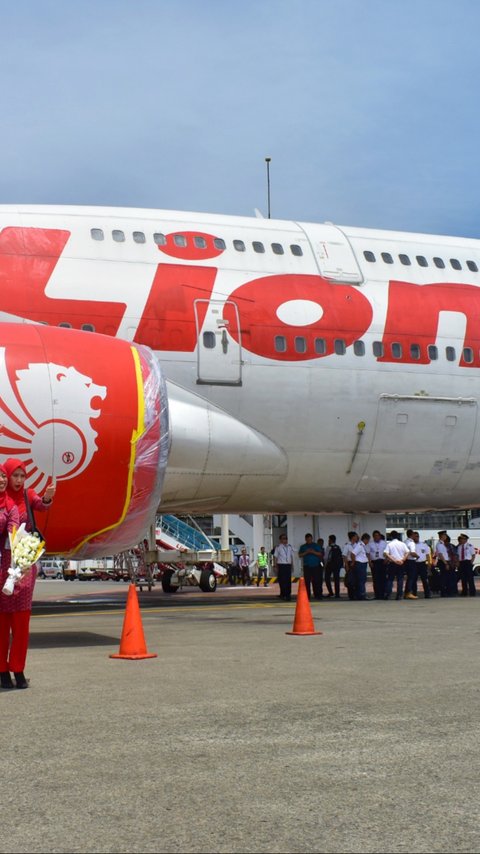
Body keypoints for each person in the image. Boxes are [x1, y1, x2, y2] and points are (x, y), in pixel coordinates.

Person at [0, 458, 55, 689]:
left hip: (23, 562)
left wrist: (47, 497)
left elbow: (41, 505)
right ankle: (2, 670)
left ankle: (18, 669)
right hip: (3, 564)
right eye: (15, 476)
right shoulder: (4, 501)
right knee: (3, 622)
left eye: (22, 476)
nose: (19, 480)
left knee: (22, 621)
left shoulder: (26, 495)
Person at [384, 531, 409, 600]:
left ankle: (388, 594)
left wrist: (394, 560)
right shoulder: (402, 544)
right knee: (400, 579)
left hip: (392, 563)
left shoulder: (389, 544)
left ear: (391, 536)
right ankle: (399, 595)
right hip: (401, 563)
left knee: (390, 579)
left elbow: (386, 553)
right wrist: (403, 560)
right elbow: (407, 552)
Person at [298, 534, 324, 600]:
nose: (309, 541)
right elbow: (300, 555)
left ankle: (317, 595)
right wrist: (306, 552)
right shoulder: (303, 547)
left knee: (316, 581)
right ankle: (307, 596)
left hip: (316, 566)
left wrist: (313, 552)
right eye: (308, 539)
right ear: (305, 539)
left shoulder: (316, 546)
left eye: (310, 539)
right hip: (307, 566)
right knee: (307, 581)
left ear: (312, 539)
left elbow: (320, 554)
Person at [346, 531, 368, 600]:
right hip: (360, 564)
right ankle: (361, 595)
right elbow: (353, 554)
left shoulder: (359, 545)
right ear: (365, 539)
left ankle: (359, 594)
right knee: (361, 580)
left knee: (361, 580)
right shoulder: (360, 545)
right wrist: (353, 562)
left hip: (361, 564)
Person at [411, 532, 432, 599]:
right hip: (414, 564)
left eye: (417, 536)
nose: (416, 538)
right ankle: (414, 593)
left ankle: (427, 593)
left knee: (425, 579)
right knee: (414, 580)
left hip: (422, 564)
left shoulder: (424, 545)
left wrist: (429, 564)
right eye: (414, 536)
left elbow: (428, 555)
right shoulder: (411, 545)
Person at [274, 534, 294, 601]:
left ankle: (288, 594)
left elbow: (291, 556)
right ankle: (283, 594)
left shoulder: (290, 547)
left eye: (286, 538)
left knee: (288, 581)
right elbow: (275, 557)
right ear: (280, 540)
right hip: (281, 565)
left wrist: (292, 565)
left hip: (288, 565)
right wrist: (275, 566)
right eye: (283, 538)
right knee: (282, 580)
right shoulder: (278, 547)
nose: (285, 540)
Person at [369, 530, 387, 600]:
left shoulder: (384, 543)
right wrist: (369, 562)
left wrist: (387, 559)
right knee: (376, 579)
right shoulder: (370, 544)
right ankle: (377, 595)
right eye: (375, 536)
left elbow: (388, 552)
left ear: (380, 536)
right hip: (374, 563)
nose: (377, 537)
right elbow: (367, 553)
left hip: (383, 562)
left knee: (383, 578)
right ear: (373, 537)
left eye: (378, 535)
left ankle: (383, 594)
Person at [324, 534, 343, 599]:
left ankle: (331, 593)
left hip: (330, 565)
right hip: (337, 566)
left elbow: (326, 557)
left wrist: (324, 565)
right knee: (336, 580)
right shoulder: (338, 547)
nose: (328, 541)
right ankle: (337, 594)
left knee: (327, 578)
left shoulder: (328, 547)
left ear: (331, 540)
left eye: (329, 539)